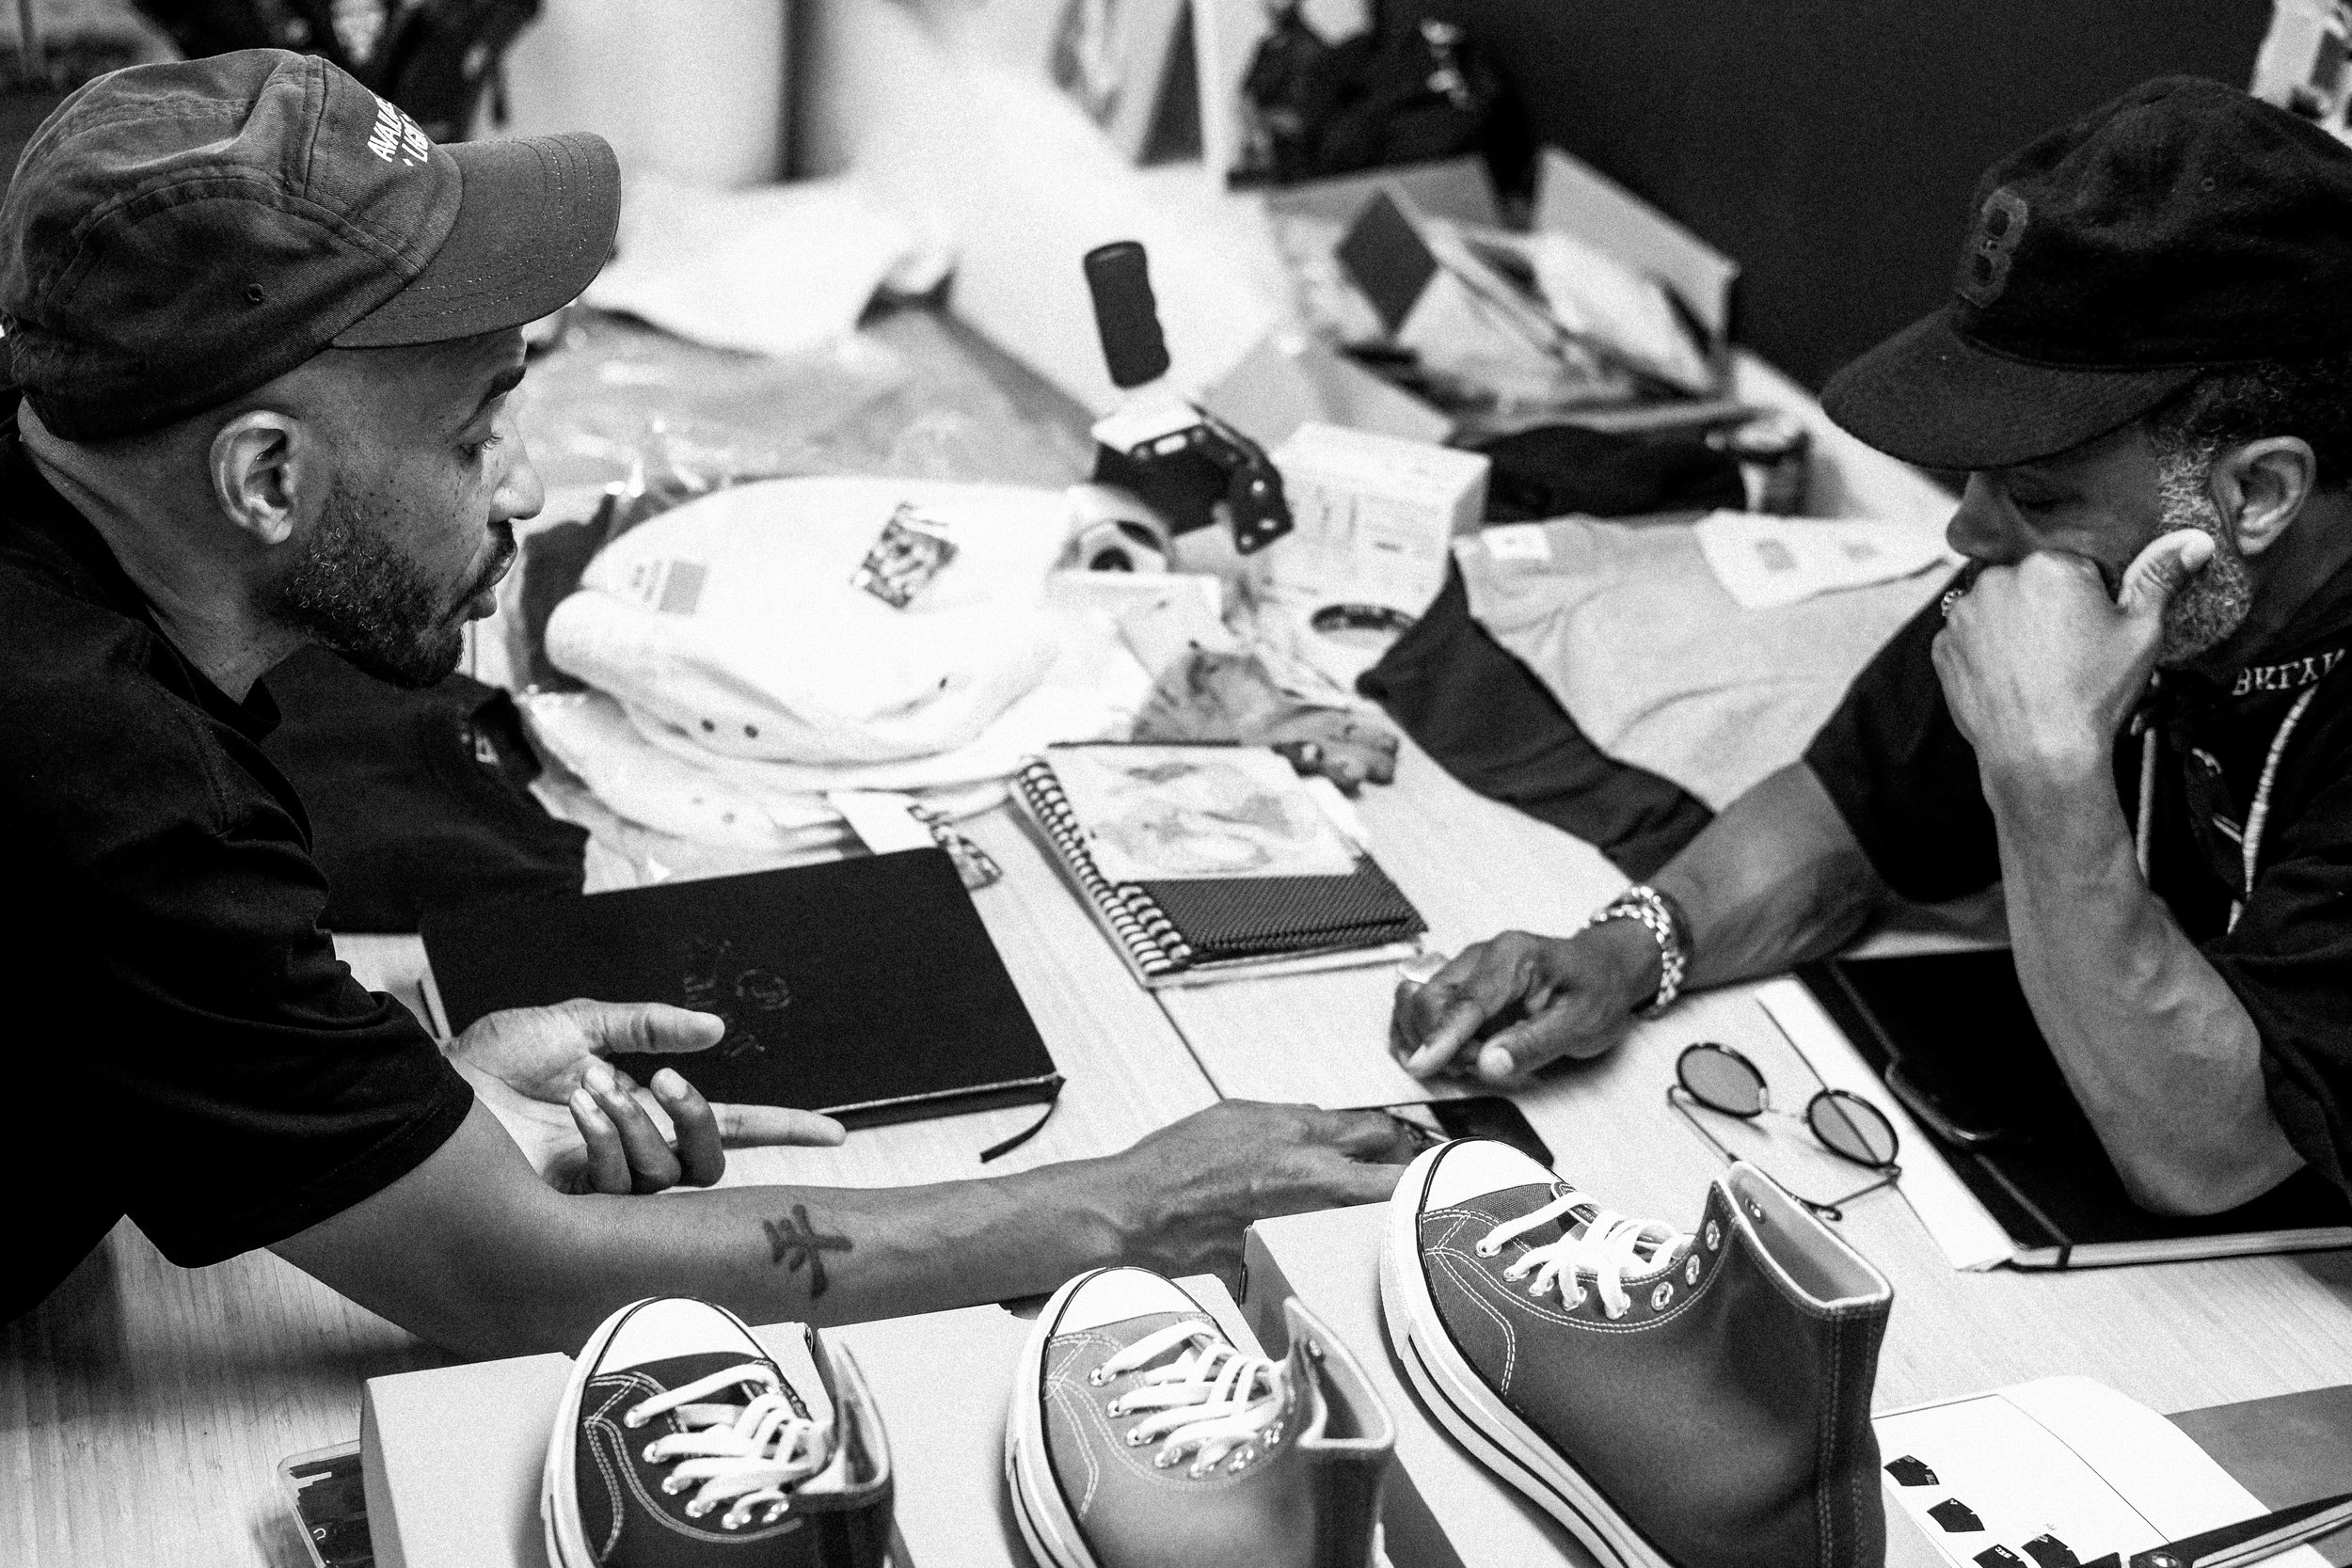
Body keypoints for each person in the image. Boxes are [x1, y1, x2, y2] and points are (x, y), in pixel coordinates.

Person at [5, 50, 1414, 1348]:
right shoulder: (110, 779)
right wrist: (1123, 1200)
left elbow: (126, 995)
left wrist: (383, 1089)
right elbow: (505, 1269)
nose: (525, 489)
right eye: (474, 435)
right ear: (264, 479)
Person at [1391, 76, 2352, 1220]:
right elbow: (1846, 808)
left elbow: (2208, 1150)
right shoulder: (2120, 564)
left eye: (2036, 490)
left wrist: (2045, 767)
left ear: (2259, 493)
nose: (1967, 529)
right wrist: (1619, 953)